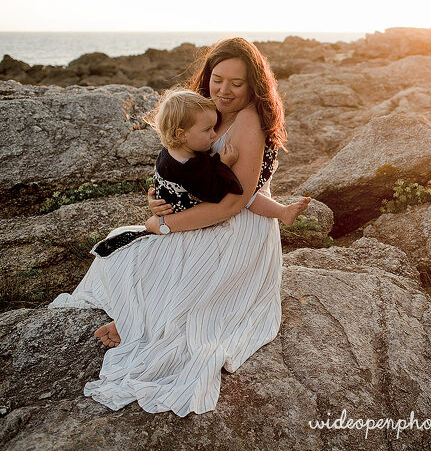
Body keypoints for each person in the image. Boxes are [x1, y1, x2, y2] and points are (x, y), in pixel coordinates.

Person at [48, 37, 305, 417]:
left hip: (241, 226)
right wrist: (160, 202)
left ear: (254, 85)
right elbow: (184, 166)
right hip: (204, 212)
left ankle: (137, 324)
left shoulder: (248, 121)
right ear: (208, 76)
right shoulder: (204, 110)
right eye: (218, 79)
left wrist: (166, 225)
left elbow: (234, 204)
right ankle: (137, 319)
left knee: (174, 258)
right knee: (126, 250)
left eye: (237, 82)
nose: (225, 90)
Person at [90, 87, 309, 258]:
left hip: (180, 211)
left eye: (236, 83)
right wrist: (224, 164)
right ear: (181, 133)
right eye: (208, 130)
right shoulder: (187, 166)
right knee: (248, 195)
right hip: (186, 217)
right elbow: (214, 192)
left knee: (249, 194)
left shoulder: (173, 152)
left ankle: (282, 212)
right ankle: (282, 212)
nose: (214, 136)